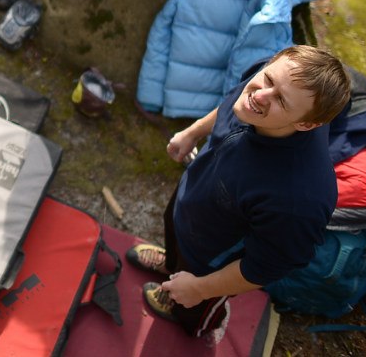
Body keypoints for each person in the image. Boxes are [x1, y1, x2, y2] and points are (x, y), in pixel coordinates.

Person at [127, 45, 352, 342]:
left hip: (211, 260)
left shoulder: (298, 199)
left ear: (306, 123)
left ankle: (198, 319)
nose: (259, 95)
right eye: (268, 80)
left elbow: (263, 268)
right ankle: (171, 265)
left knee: (192, 308)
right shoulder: (265, 79)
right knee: (175, 233)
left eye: (280, 100)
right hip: (192, 197)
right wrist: (193, 132)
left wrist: (199, 289)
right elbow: (233, 100)